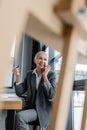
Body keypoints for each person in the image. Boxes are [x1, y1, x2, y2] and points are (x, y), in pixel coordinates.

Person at [12, 51, 57, 130]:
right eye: (40, 58)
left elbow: (51, 94)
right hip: (31, 108)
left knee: (20, 117)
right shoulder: (30, 74)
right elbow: (19, 92)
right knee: (14, 114)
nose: (42, 61)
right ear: (35, 60)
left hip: (44, 110)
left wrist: (45, 76)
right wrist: (17, 76)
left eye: (45, 59)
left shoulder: (51, 75)